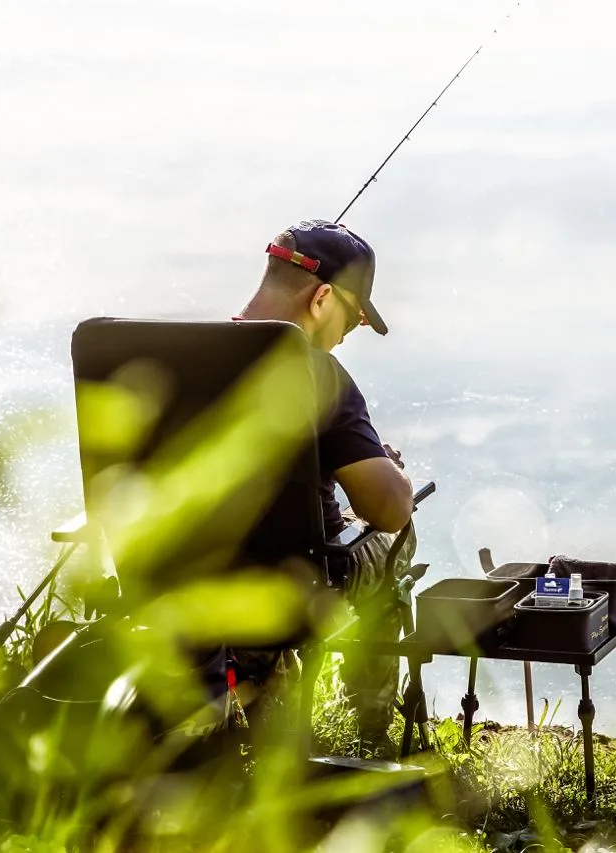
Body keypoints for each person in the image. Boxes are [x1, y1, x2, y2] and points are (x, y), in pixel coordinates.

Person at [227, 218, 419, 755]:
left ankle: (262, 682)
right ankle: (372, 721)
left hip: (178, 579)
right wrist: (383, 463)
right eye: (351, 321)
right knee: (398, 541)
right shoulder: (318, 373)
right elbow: (388, 509)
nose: (344, 336)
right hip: (297, 587)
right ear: (322, 298)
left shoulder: (174, 357)